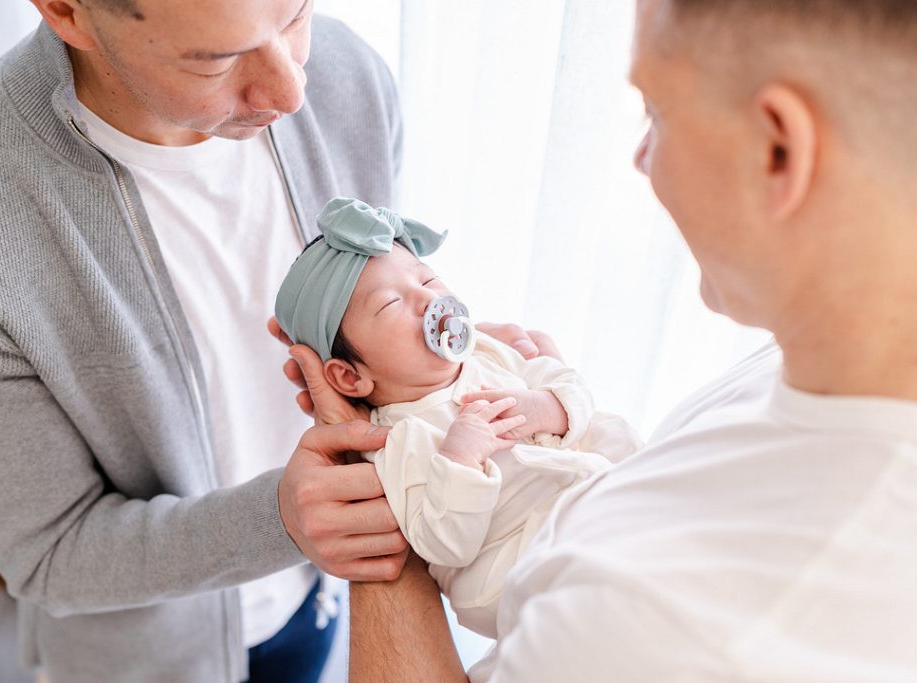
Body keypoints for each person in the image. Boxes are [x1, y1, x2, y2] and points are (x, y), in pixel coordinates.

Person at [273, 0, 917, 680]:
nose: (640, 157)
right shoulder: (816, 366)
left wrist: (367, 511)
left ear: (779, 148)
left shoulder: (644, 623)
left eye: (656, 112)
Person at [0, 0, 439, 680]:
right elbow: (51, 553)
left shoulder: (348, 78)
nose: (292, 91)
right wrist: (279, 521)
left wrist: (434, 366)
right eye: (217, 60)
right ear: (65, 11)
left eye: (295, 16)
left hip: (319, 602)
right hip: (149, 659)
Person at [273, 197, 641, 638]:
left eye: (428, 279)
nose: (429, 299)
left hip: (588, 496)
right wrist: (460, 460)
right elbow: (445, 545)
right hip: (519, 558)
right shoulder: (394, 441)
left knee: (616, 436)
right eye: (392, 305)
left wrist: (545, 407)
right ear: (350, 377)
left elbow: (566, 383)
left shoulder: (486, 351)